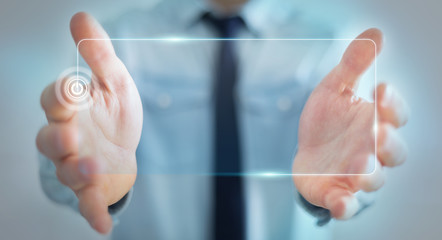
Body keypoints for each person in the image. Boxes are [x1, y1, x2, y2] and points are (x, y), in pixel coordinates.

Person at [36, 0, 409, 239]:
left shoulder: (330, 41)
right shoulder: (117, 40)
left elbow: (360, 168)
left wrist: (347, 183)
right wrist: (92, 180)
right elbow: (63, 167)